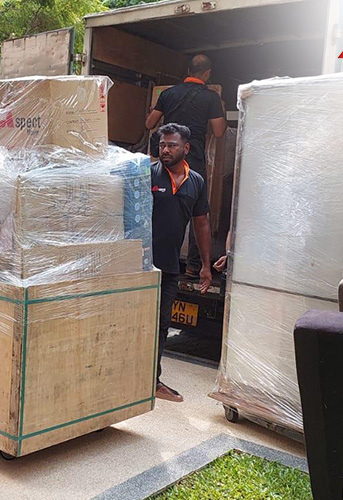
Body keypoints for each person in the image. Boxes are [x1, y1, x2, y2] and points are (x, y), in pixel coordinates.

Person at [146, 54, 226, 277]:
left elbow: (150, 123)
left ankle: (154, 261)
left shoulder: (168, 94)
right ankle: (193, 265)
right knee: (197, 213)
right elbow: (219, 131)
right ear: (207, 73)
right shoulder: (211, 98)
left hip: (167, 160)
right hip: (192, 159)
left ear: (188, 71)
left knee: (161, 206)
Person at [150, 123, 212, 403]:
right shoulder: (147, 174)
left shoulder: (196, 181)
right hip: (140, 266)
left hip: (169, 266)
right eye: (162, 145)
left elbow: (201, 224)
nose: (165, 150)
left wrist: (205, 266)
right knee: (135, 321)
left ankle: (152, 380)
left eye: (171, 145)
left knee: (162, 325)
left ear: (186, 148)